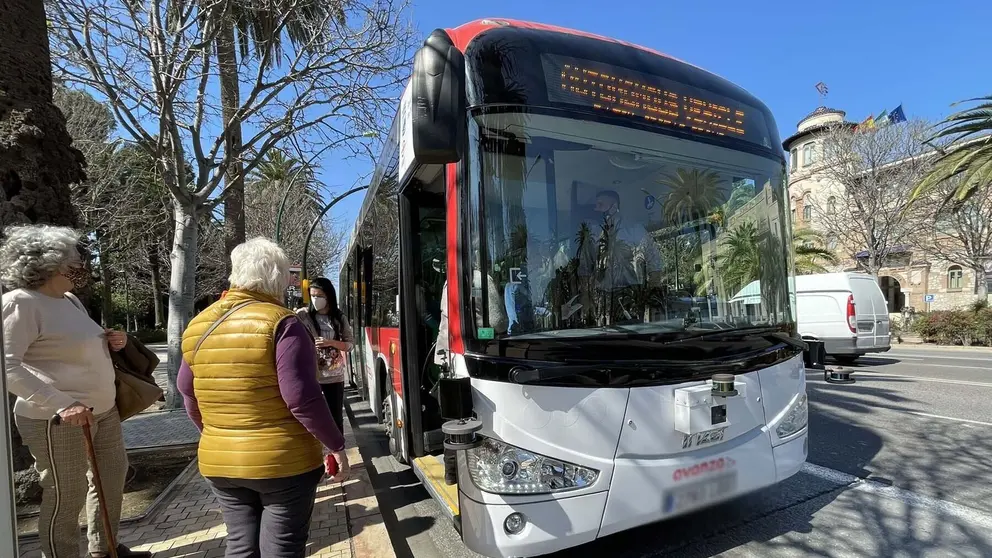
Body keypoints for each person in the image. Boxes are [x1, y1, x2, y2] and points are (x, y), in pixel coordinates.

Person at [177, 238, 349, 558]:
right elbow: (301, 397)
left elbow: (187, 390)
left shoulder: (199, 324)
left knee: (240, 546)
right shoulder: (283, 322)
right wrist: (336, 444)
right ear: (277, 276)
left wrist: (215, 435)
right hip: (283, 463)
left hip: (219, 461)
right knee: (281, 547)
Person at [0, 225, 150, 558]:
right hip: (57, 419)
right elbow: (7, 366)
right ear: (51, 263)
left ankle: (106, 549)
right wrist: (62, 404)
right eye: (74, 261)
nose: (82, 267)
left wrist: (115, 341)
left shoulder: (69, 300)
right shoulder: (20, 303)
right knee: (66, 493)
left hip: (102, 411)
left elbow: (75, 346)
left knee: (111, 478)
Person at [295, 277, 354, 434]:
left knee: (335, 417)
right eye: (313, 296)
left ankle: (336, 453)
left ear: (328, 296)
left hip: (334, 376)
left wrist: (331, 342)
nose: (316, 299)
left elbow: (349, 345)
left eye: (319, 296)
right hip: (310, 375)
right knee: (312, 418)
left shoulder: (339, 318)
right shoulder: (302, 315)